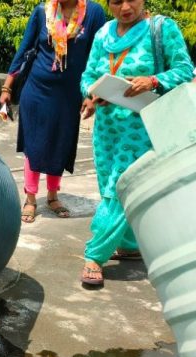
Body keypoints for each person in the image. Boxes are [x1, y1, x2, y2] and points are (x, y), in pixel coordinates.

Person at [78, 0, 194, 286]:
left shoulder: (162, 28)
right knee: (109, 185)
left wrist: (153, 81)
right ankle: (129, 244)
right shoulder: (103, 34)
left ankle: (95, 255)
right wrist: (91, 95)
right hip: (107, 130)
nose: (125, 7)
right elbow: (88, 75)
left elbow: (185, 69)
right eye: (117, 2)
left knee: (119, 189)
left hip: (143, 128)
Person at [0, 0, 106, 223]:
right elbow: (25, 49)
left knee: (60, 142)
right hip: (37, 90)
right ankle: (30, 198)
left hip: (69, 94)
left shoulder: (94, 13)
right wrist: (7, 87)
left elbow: (98, 56)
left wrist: (91, 93)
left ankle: (52, 196)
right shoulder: (42, 11)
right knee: (34, 144)